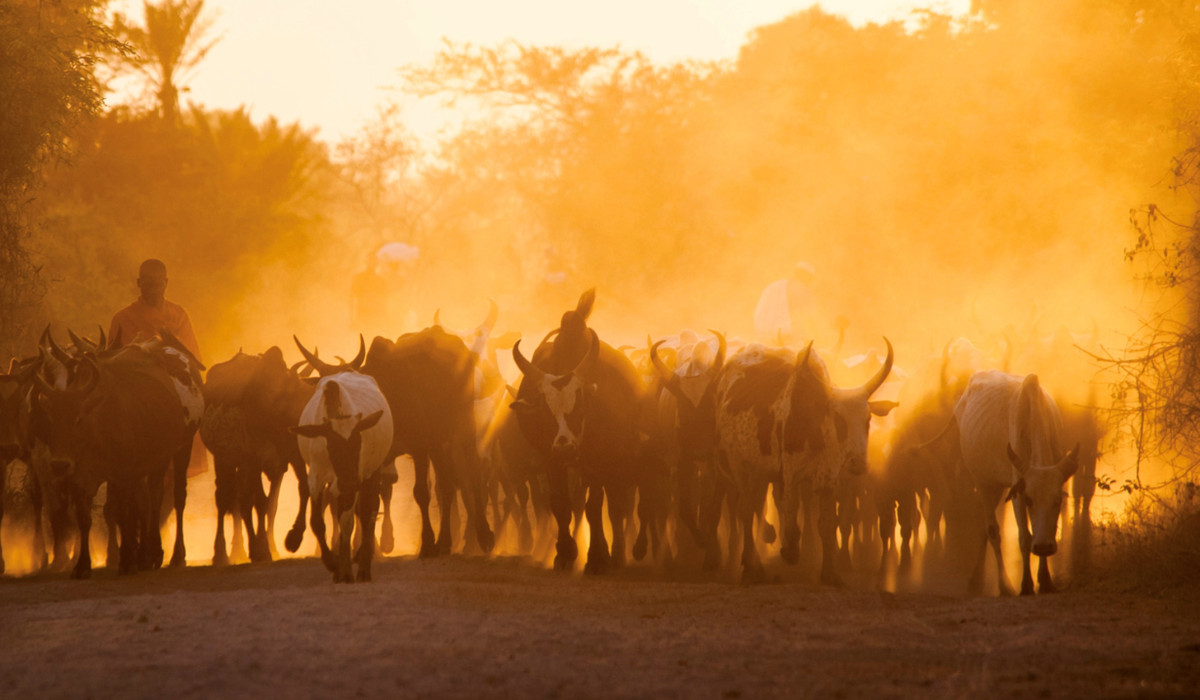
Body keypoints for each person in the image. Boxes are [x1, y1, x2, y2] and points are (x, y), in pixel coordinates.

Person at [109, 258, 206, 476]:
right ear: (138, 283)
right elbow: (113, 365)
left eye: (157, 283)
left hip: (173, 393)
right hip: (136, 399)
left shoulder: (178, 315)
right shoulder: (123, 318)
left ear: (166, 283)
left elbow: (191, 358)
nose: (152, 289)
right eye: (147, 283)